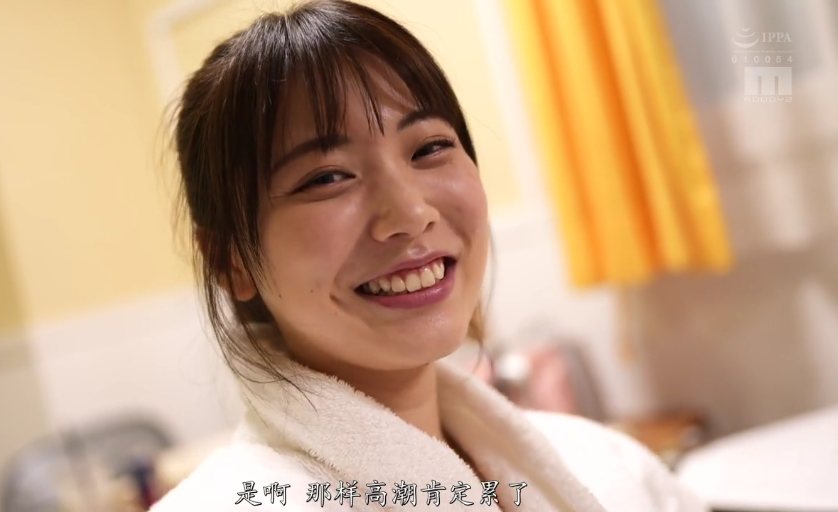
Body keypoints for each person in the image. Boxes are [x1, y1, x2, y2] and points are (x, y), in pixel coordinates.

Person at [153, 1, 708, 510]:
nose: (411, 213)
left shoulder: (606, 465)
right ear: (230, 261)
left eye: (429, 147)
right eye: (327, 177)